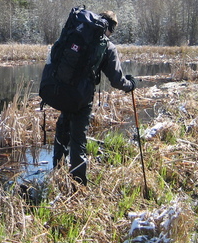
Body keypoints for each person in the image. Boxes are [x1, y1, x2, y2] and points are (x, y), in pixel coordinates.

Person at [52, 10, 137, 186]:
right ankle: (78, 185)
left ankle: (57, 175)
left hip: (63, 90)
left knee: (62, 130)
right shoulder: (106, 45)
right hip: (82, 97)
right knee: (78, 140)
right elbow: (116, 80)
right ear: (111, 28)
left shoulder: (77, 31)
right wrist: (130, 85)